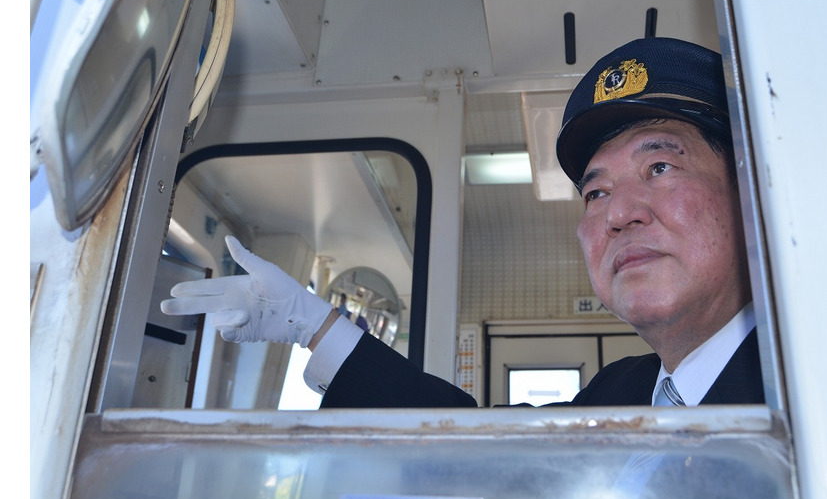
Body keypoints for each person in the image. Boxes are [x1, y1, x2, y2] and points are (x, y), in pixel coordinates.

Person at [161, 37, 763, 410]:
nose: (620, 213)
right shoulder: (624, 392)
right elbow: (464, 441)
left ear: (750, 192)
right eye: (595, 192)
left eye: (660, 165)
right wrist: (313, 325)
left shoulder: (823, 389)